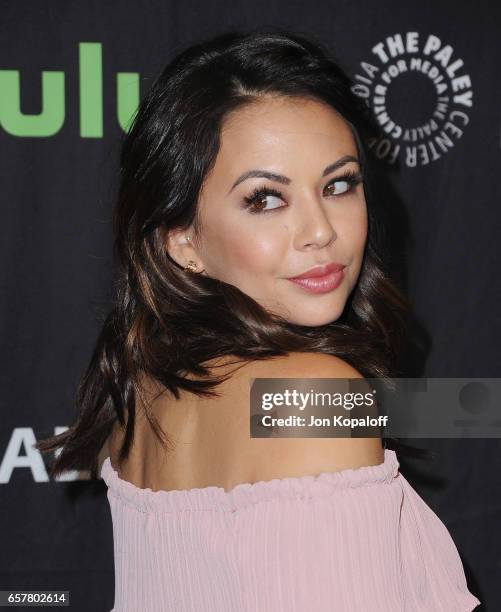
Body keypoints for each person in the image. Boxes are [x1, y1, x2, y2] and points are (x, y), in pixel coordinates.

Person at [36, 28, 481, 611]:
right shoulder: (311, 394)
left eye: (339, 184)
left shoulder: (142, 391)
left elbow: (448, 407)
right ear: (182, 239)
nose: (322, 230)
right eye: (265, 199)